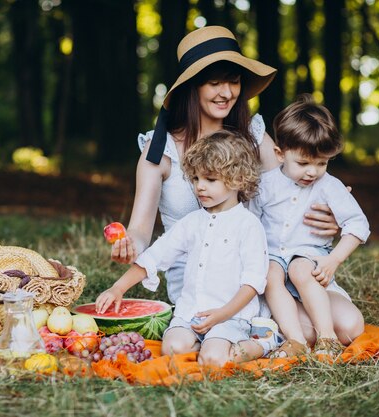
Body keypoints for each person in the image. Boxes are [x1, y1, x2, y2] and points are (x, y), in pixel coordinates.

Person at [110, 25, 343, 331]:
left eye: (233, 82)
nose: (226, 93)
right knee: (311, 329)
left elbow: (287, 194)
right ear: (192, 87)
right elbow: (140, 229)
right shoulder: (159, 150)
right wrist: (129, 244)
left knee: (347, 326)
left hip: (260, 267)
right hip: (201, 280)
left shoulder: (253, 135)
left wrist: (334, 213)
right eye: (214, 83)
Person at [97, 131, 275, 366]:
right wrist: (118, 288)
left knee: (213, 359)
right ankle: (208, 342)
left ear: (238, 179)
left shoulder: (248, 225)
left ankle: (263, 342)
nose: (200, 187)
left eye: (210, 180)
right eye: (196, 179)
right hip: (190, 312)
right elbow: (155, 256)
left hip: (230, 315)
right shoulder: (191, 222)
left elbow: (253, 282)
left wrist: (222, 314)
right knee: (171, 348)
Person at [248, 94, 370, 357]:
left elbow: (358, 225)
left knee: (300, 267)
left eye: (321, 163)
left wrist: (333, 260)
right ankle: (296, 341)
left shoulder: (329, 186)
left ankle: (327, 338)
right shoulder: (265, 185)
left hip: (310, 260)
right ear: (280, 154)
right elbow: (251, 224)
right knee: (271, 272)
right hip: (272, 259)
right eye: (303, 163)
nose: (312, 172)